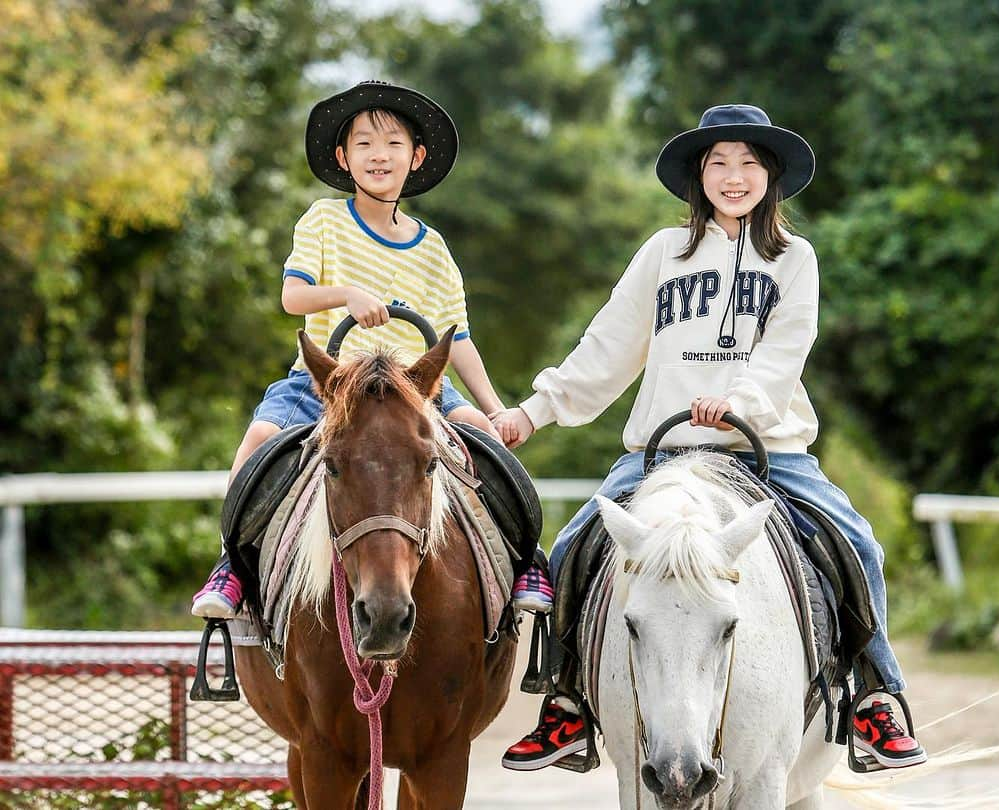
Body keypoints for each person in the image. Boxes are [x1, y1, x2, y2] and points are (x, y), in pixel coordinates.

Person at [494, 105, 926, 771]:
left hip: (768, 452)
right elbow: (607, 347)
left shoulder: (793, 258)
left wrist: (740, 404)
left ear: (772, 175)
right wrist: (535, 410)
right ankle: (566, 701)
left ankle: (875, 696)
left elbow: (786, 352)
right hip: (661, 452)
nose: (734, 175)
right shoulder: (662, 253)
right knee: (578, 542)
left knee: (856, 541)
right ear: (698, 176)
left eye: (750, 161)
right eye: (719, 162)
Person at [192, 80, 533, 618]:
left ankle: (522, 561)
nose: (379, 155)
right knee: (259, 438)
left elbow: (458, 338)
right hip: (330, 382)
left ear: (415, 157)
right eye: (364, 144)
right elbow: (291, 296)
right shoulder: (324, 221)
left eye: (394, 143)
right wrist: (346, 295)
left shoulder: (435, 249)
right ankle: (231, 563)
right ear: (343, 158)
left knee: (490, 446)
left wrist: (494, 406)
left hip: (417, 390)